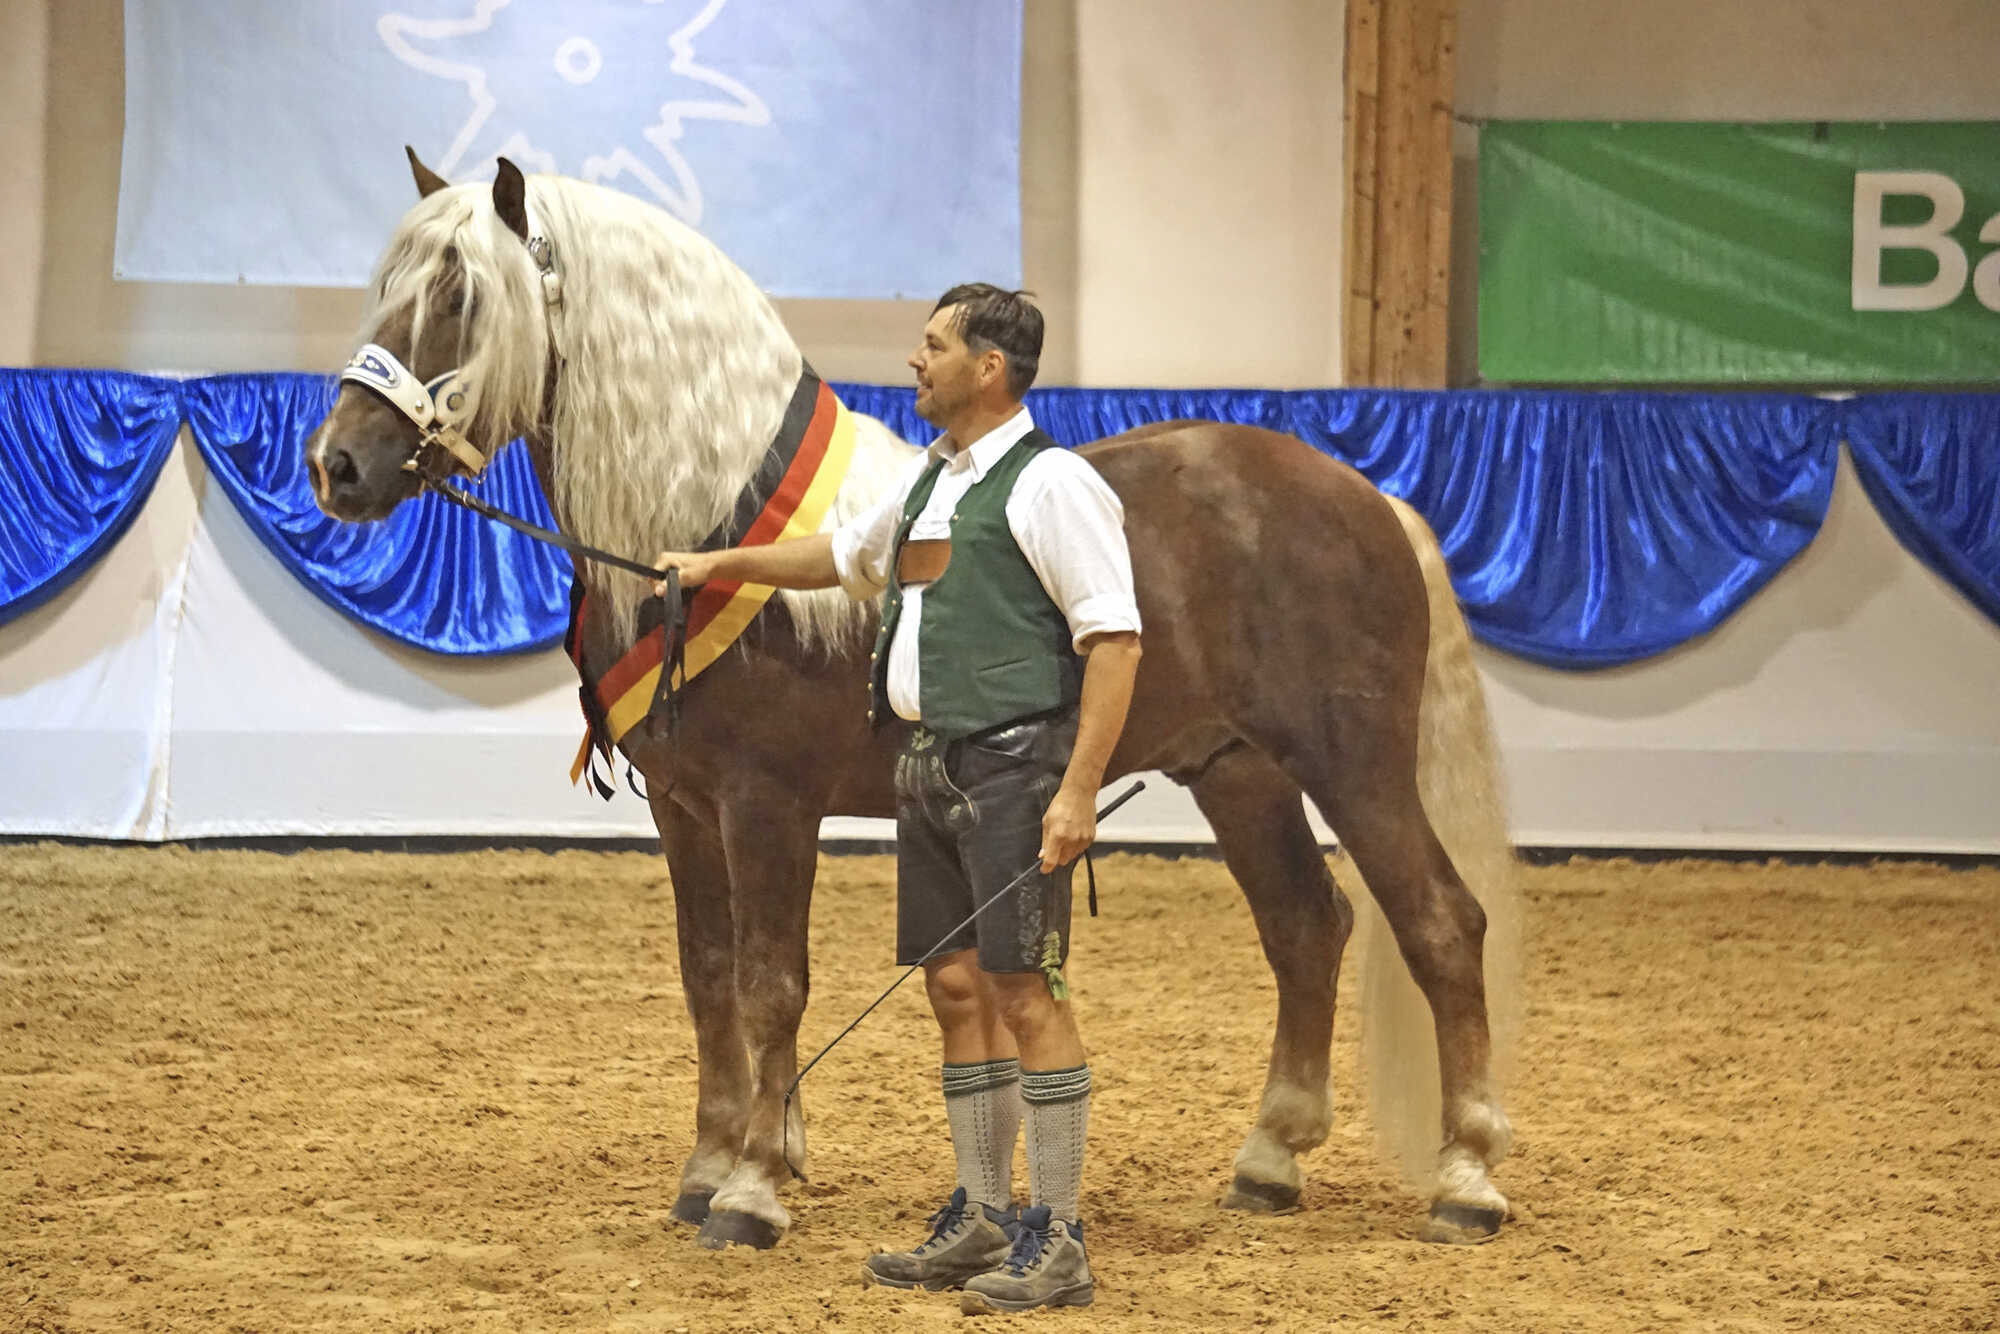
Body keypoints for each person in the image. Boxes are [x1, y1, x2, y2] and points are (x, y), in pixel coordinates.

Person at [653, 284, 1141, 1314]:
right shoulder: (932, 482)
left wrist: (1078, 789)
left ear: (987, 369)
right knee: (956, 992)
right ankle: (976, 1209)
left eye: (932, 347)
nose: (913, 362)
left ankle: (1056, 1233)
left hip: (1014, 770)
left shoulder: (1051, 485)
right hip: (930, 771)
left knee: (1027, 996)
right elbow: (837, 558)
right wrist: (716, 564)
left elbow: (1114, 641)